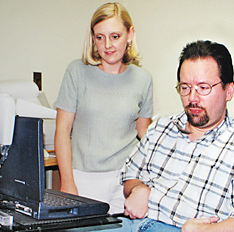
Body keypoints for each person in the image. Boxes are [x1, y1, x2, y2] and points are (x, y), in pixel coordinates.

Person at [105, 40, 234, 231]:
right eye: (185, 87)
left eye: (203, 88)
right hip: (130, 224)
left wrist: (204, 230)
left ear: (228, 90)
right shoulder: (160, 129)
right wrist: (138, 189)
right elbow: (130, 177)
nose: (192, 98)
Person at [54, 2, 153, 214]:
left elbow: (144, 133)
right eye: (100, 37)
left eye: (115, 36)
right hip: (82, 178)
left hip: (125, 180)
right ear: (93, 39)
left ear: (130, 34)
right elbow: (62, 130)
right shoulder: (77, 72)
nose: (107, 45)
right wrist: (67, 182)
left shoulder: (143, 79)